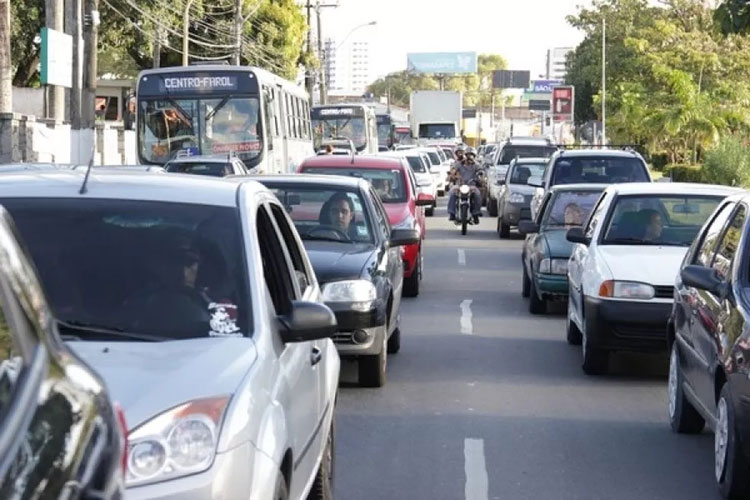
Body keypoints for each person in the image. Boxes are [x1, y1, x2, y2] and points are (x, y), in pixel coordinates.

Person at [447, 147, 482, 223]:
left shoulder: (476, 165)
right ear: (465, 155)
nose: (470, 157)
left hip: (471, 186)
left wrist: (480, 175)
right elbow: (454, 171)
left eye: (471, 155)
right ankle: (452, 213)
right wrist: (453, 175)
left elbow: (480, 171)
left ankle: (476, 214)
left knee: (477, 194)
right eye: (468, 155)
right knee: (452, 193)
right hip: (460, 185)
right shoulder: (459, 164)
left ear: (474, 156)